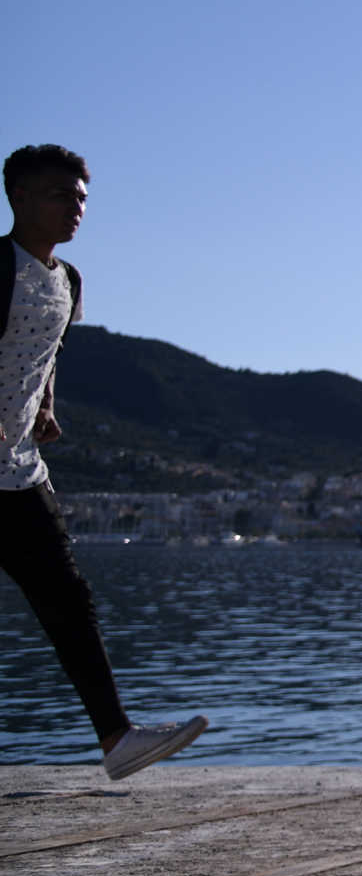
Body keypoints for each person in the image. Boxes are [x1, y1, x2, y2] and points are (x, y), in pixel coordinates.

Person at [2, 145, 209, 779]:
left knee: (68, 599)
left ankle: (117, 738)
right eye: (61, 196)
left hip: (18, 470)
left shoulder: (68, 280)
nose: (77, 209)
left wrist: (44, 408)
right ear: (20, 199)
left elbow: (47, 351)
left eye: (82, 198)